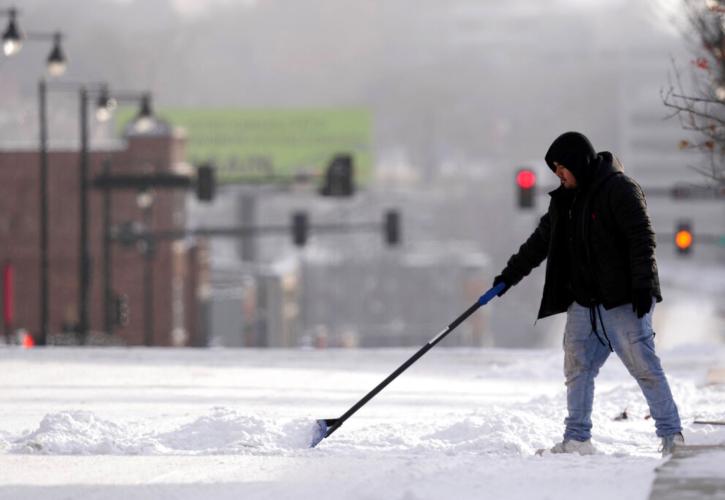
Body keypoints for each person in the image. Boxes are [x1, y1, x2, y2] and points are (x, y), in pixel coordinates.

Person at [494, 131, 683, 456]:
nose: (559, 175)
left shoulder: (620, 190)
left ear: (578, 163)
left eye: (561, 168)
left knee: (644, 367)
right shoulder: (564, 202)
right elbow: (538, 244)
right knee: (577, 366)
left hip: (622, 299)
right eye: (554, 171)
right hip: (583, 301)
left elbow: (642, 238)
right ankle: (577, 439)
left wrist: (641, 285)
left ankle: (672, 438)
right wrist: (508, 277)